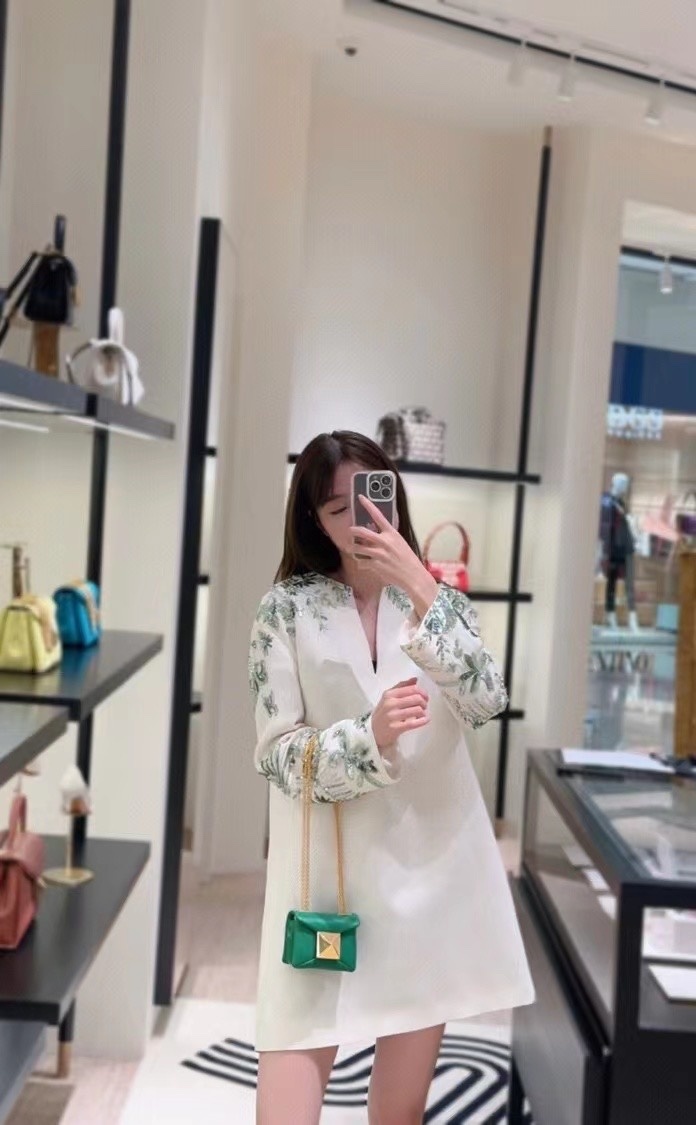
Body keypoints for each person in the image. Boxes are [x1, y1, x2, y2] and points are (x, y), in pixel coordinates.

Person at [248, 431, 534, 1125]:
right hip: (326, 884)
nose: (363, 519)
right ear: (314, 519)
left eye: (375, 497)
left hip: (427, 878)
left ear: (396, 497)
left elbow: (487, 700)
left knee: (399, 1113)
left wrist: (420, 583)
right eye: (338, 507)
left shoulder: (434, 603)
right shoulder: (285, 610)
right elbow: (277, 754)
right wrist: (367, 737)